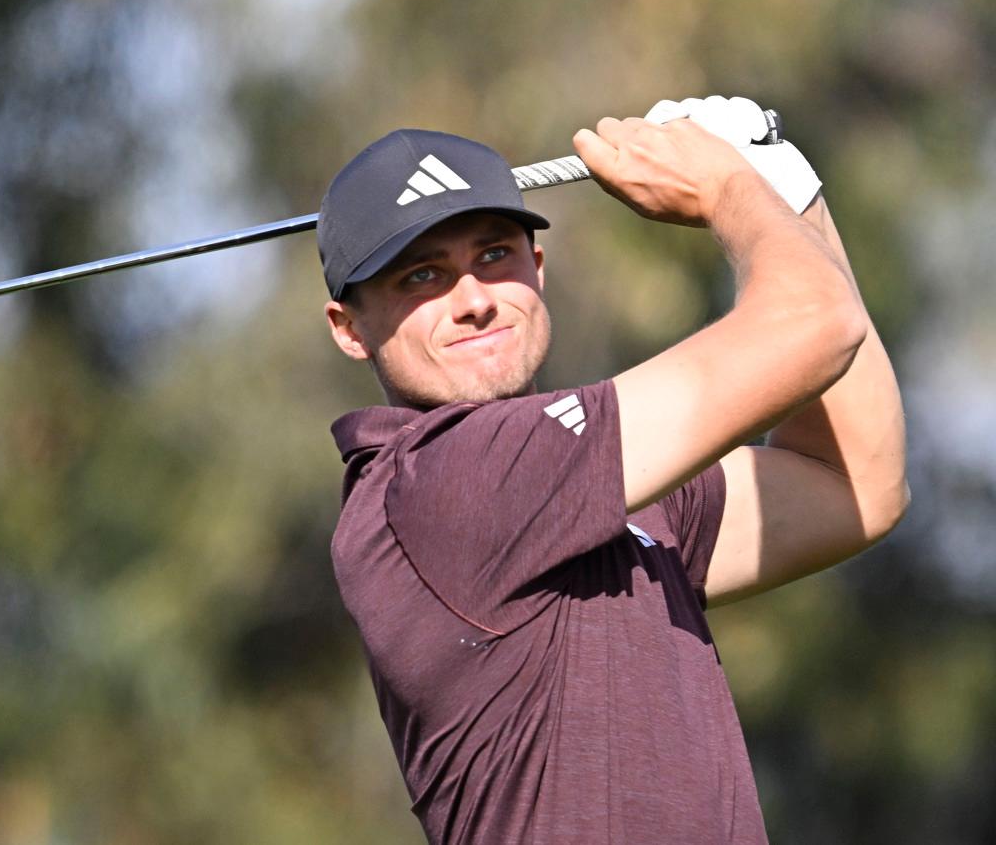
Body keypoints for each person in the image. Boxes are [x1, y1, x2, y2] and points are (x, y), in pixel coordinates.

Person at [315, 96, 909, 844]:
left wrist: (790, 195)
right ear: (349, 329)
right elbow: (816, 325)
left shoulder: (597, 485)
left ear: (537, 267)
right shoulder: (435, 483)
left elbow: (856, 482)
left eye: (493, 255)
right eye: (421, 277)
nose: (472, 302)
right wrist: (733, 188)